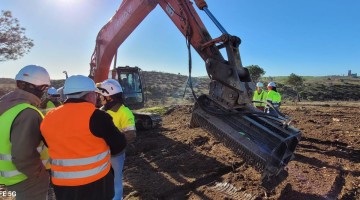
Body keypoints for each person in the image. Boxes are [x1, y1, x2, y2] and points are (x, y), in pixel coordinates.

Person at [40, 75, 127, 200]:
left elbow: (49, 142)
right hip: (97, 185)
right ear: (90, 95)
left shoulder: (48, 117)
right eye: (95, 94)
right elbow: (119, 145)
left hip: (63, 187)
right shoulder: (98, 116)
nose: (97, 97)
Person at [0, 65, 51, 200]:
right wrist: (41, 176)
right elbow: (23, 157)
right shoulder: (28, 113)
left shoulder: (4, 106)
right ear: (42, 89)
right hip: (24, 184)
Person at [97, 79, 136, 200]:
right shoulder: (100, 111)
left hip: (115, 154)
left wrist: (114, 145)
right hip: (100, 153)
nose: (99, 97)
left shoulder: (124, 112)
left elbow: (130, 135)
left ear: (109, 96)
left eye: (101, 95)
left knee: (116, 181)